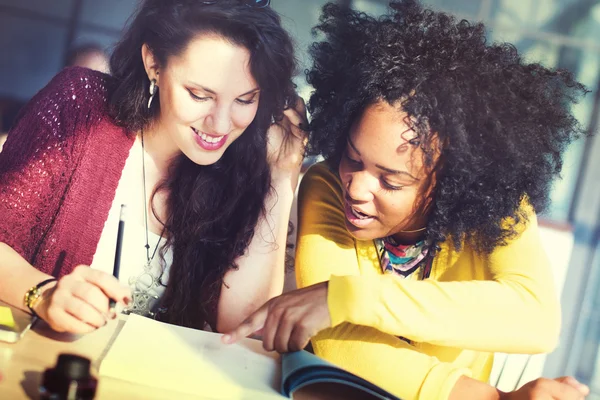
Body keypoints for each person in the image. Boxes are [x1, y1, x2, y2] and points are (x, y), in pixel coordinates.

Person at [224, 1, 590, 399]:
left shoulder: (497, 208)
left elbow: (534, 318)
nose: (357, 188)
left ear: (451, 182)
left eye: (391, 181)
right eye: (353, 157)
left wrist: (345, 296)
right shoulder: (327, 184)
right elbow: (340, 342)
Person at [0, 0, 305, 335]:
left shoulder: (243, 167)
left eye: (245, 100)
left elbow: (245, 331)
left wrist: (282, 173)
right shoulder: (80, 107)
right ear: (154, 65)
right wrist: (42, 293)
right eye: (200, 94)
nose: (220, 124)